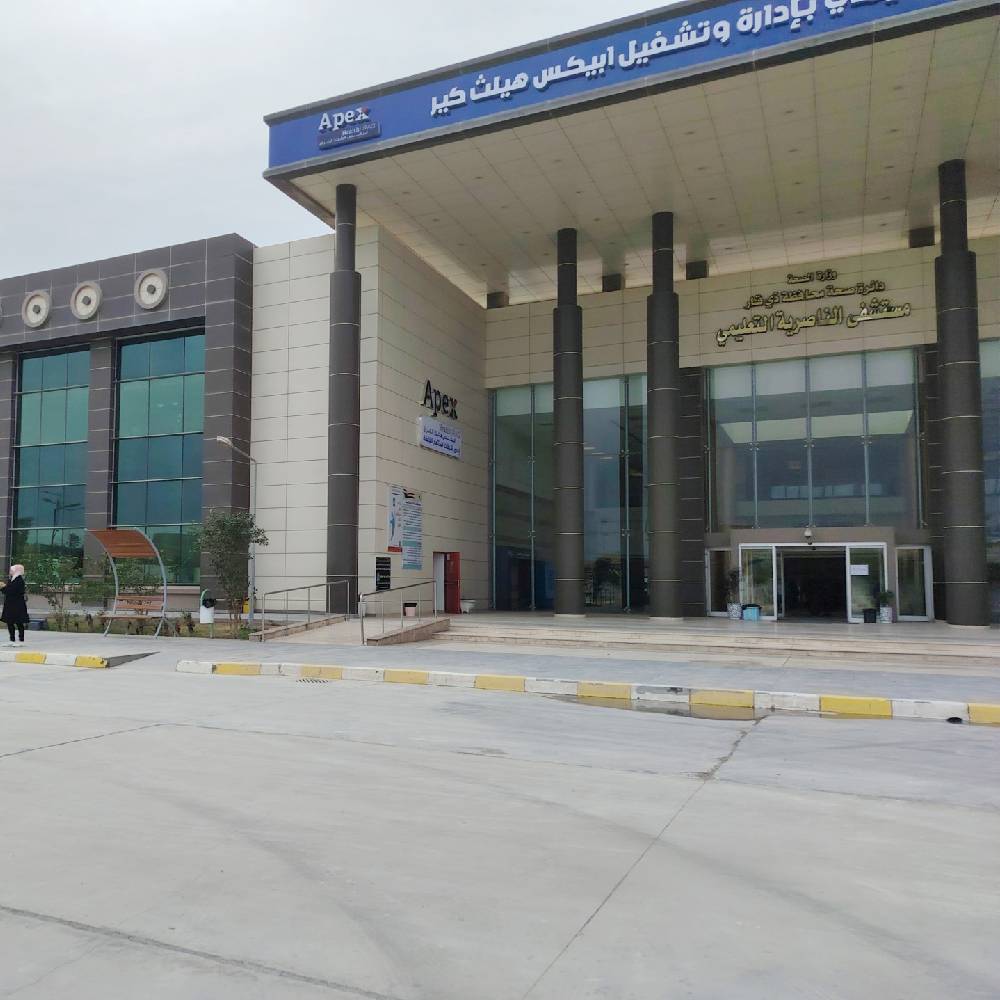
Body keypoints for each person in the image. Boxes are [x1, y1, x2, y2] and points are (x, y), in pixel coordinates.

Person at [1, 564, 29, 645]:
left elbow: (12, 591)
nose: (10, 572)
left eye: (12, 570)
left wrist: (3, 587)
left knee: (19, 622)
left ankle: (21, 640)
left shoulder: (19, 580)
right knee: (9, 622)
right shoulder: (12, 579)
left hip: (17, 604)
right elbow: (8, 591)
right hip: (10, 604)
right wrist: (3, 587)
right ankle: (12, 640)